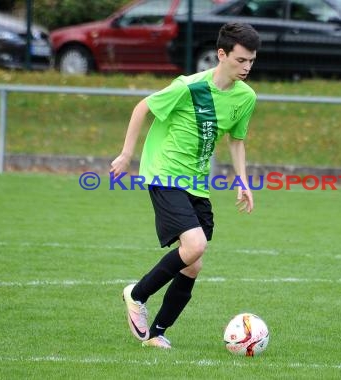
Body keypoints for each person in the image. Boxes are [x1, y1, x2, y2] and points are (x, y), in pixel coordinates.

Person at [109, 22, 261, 349]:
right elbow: (142, 108)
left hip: (197, 183)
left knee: (194, 263)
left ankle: (157, 333)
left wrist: (243, 182)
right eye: (240, 60)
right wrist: (126, 155)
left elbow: (236, 141)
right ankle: (136, 295)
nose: (247, 67)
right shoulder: (189, 86)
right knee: (194, 246)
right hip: (165, 173)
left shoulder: (246, 98)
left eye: (251, 61)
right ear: (221, 54)